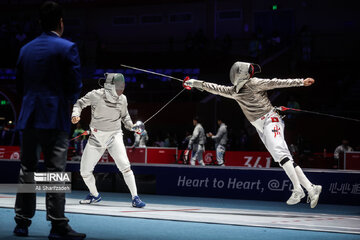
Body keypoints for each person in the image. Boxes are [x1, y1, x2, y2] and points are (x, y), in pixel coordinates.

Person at [184, 61, 322, 208]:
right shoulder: (234, 91)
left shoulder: (255, 82)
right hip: (261, 127)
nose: (251, 74)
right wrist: (194, 83)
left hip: (271, 120)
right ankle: (311, 188)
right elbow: (214, 88)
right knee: (283, 159)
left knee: (281, 155)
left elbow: (276, 83)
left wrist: (301, 82)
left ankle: (298, 190)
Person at [14, 1, 85, 239]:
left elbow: (19, 86)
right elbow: (74, 86)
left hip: (29, 117)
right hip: (54, 118)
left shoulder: (25, 49)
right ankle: (57, 225)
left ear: (40, 23)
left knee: (28, 170)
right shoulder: (67, 48)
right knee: (55, 171)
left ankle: (22, 222)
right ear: (60, 22)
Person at [71, 73, 146, 208]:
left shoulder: (123, 99)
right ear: (110, 86)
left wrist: (133, 127)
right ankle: (94, 195)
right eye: (118, 88)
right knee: (85, 171)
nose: (120, 91)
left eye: (122, 88)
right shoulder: (96, 95)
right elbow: (79, 103)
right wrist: (76, 114)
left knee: (125, 167)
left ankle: (135, 197)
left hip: (114, 136)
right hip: (96, 138)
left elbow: (125, 117)